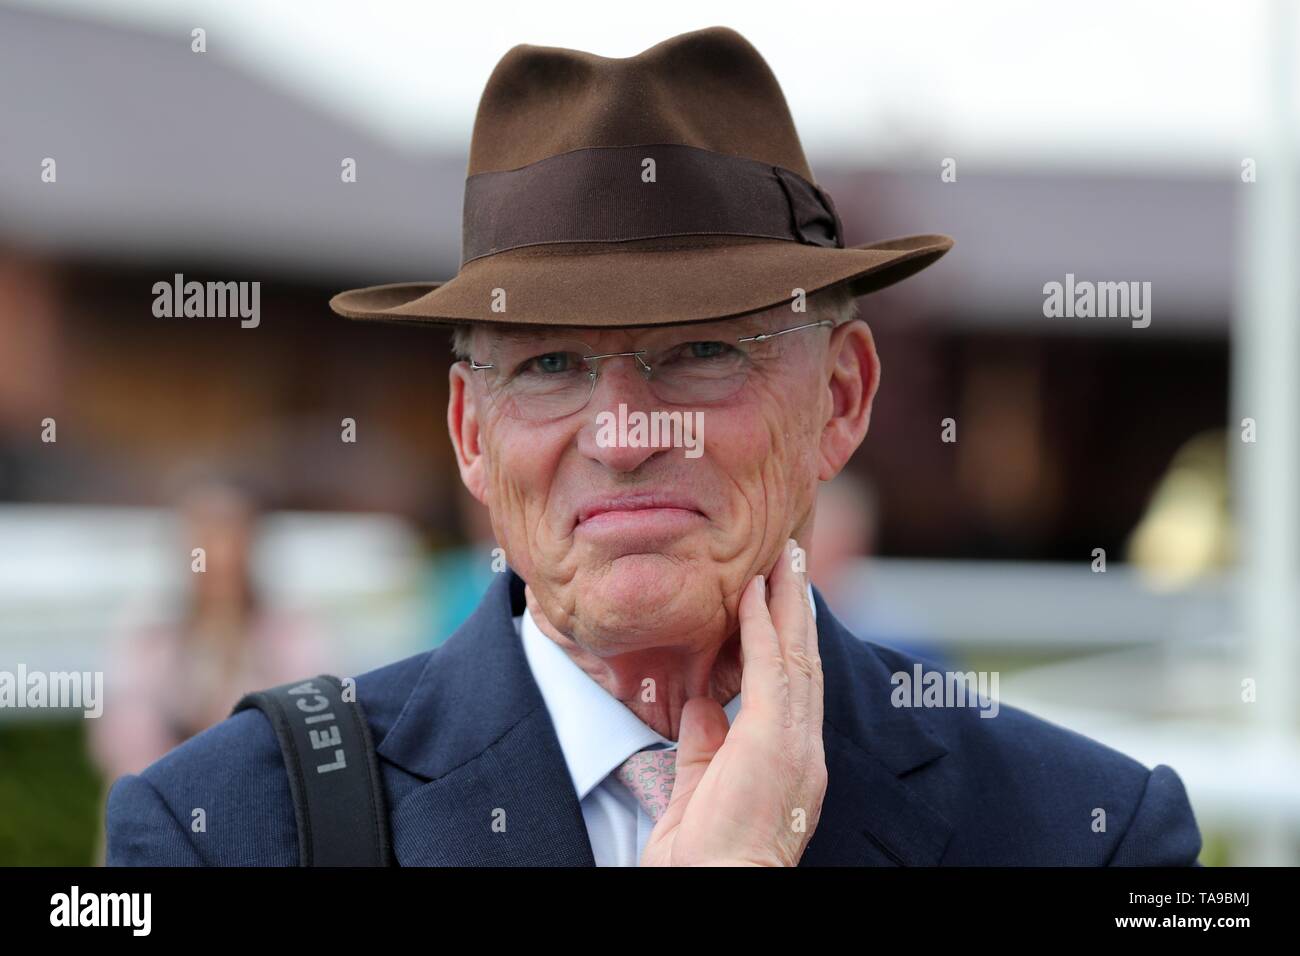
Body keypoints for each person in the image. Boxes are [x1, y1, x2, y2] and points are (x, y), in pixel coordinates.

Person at [106, 26, 1201, 866]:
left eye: (701, 351)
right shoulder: (227, 827)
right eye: (549, 366)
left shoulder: (1086, 831)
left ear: (841, 397)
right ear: (470, 435)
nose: (625, 433)